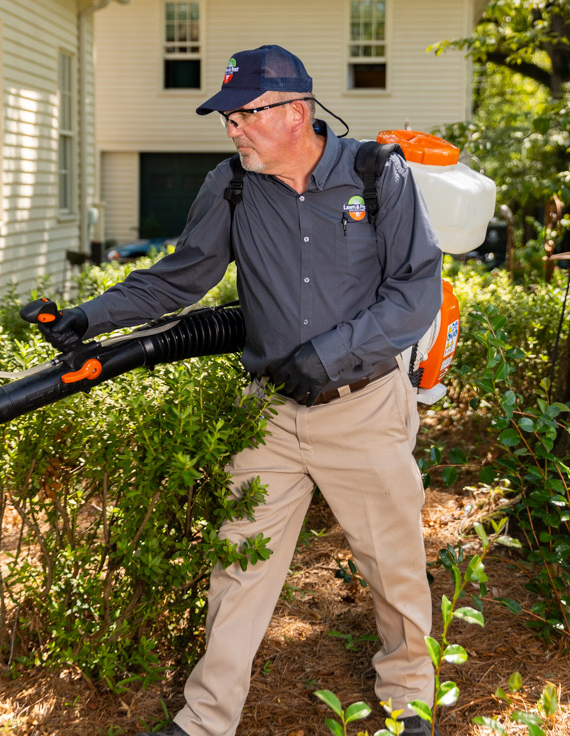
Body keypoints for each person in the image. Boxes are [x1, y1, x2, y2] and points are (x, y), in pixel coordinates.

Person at [40, 45, 443, 736]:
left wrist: (328, 355)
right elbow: (178, 277)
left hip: (365, 407)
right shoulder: (230, 185)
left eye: (244, 115)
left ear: (297, 111)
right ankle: (204, 721)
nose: (232, 130)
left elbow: (416, 293)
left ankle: (409, 702)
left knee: (393, 566)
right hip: (270, 416)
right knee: (238, 570)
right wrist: (90, 316)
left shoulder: (378, 176)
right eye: (227, 118)